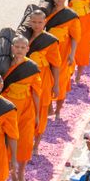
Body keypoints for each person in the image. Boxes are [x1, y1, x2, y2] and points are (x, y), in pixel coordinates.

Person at [1, 36, 41, 181]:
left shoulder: (31, 68)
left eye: (22, 47)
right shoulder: (5, 66)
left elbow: (36, 93)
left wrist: (37, 114)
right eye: (16, 47)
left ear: (27, 49)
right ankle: (11, 175)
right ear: (12, 48)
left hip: (26, 111)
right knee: (8, 144)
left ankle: (21, 174)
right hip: (8, 111)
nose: (19, 50)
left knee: (24, 143)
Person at [45, 0, 81, 115]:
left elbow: (75, 37)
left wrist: (72, 54)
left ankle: (58, 110)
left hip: (63, 53)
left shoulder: (70, 16)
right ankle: (49, 108)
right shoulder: (48, 13)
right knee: (47, 80)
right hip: (48, 52)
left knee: (61, 81)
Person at [27, 8, 61, 140]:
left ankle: (36, 145)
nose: (37, 25)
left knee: (41, 112)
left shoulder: (49, 40)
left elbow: (56, 64)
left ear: (45, 22)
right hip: (27, 79)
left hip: (44, 79)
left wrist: (56, 85)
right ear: (30, 22)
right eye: (34, 22)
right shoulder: (26, 37)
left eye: (40, 22)